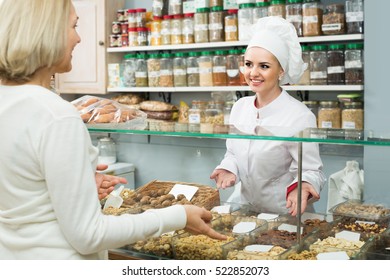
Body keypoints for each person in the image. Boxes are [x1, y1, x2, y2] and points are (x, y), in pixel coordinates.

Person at [0, 0, 225, 260]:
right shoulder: (57, 116)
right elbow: (89, 235)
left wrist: (77, 183)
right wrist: (177, 215)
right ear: (46, 33)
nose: (79, 38)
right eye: (74, 26)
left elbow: (24, 194)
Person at [210, 17, 326, 216]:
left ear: (281, 70)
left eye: (264, 66)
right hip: (247, 211)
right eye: (248, 64)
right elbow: (233, 154)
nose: (253, 73)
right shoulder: (240, 107)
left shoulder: (300, 116)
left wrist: (304, 185)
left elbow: (312, 170)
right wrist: (229, 168)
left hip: (285, 215)